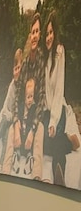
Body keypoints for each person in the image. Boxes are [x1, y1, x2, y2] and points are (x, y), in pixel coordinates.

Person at [42, 10, 80, 185]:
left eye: (51, 33)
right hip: (49, 111)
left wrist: (53, 121)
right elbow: (46, 93)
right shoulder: (46, 58)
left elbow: (58, 91)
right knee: (44, 143)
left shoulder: (59, 51)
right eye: (46, 34)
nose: (48, 37)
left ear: (55, 33)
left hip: (59, 112)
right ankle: (70, 142)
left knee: (55, 143)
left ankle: (59, 178)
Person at [0, 47, 23, 171]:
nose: (17, 71)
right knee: (1, 130)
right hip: (7, 116)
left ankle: (1, 162)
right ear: (13, 70)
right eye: (16, 68)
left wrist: (13, 118)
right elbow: (6, 107)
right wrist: (9, 117)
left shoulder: (22, 86)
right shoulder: (12, 85)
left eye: (19, 69)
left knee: (7, 136)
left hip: (14, 119)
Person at [3, 77, 44, 180]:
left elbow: (36, 121)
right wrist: (18, 125)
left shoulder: (35, 109)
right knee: (12, 128)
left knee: (41, 127)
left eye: (32, 97)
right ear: (24, 97)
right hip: (20, 141)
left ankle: (36, 171)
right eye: (28, 97)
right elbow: (15, 118)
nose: (30, 100)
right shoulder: (20, 108)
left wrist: (31, 131)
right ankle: (7, 167)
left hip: (29, 143)